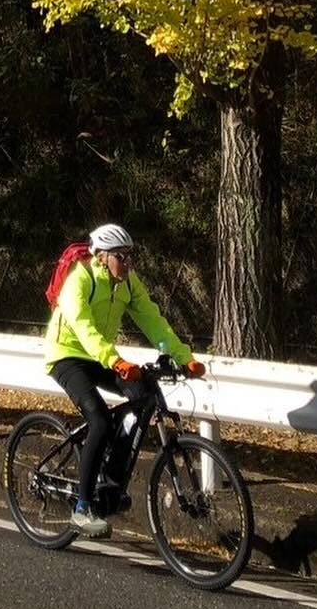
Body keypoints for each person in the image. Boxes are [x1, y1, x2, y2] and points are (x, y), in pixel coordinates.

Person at [41, 222, 206, 539]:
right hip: (66, 354)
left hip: (99, 355)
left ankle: (111, 481)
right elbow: (82, 326)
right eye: (121, 256)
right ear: (101, 256)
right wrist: (114, 360)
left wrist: (185, 358)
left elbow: (152, 319)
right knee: (100, 420)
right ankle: (82, 509)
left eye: (131, 256)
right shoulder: (80, 279)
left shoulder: (127, 282)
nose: (128, 263)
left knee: (143, 394)